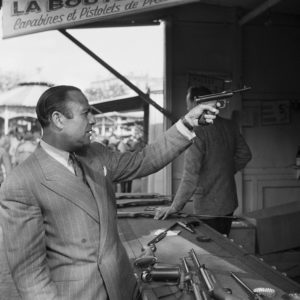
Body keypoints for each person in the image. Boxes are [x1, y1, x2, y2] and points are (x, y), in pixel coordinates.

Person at [0, 85, 218, 300]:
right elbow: (30, 277)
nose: (93, 119)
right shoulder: (22, 183)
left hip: (122, 287)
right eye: (85, 113)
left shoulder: (94, 153)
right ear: (58, 120)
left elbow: (142, 161)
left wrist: (187, 122)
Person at [155, 86, 252, 236]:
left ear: (196, 102)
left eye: (188, 103)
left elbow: (190, 175)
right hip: (228, 201)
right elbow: (245, 155)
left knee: (211, 251)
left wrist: (174, 207)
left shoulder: (197, 131)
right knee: (224, 246)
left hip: (208, 206)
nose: (187, 107)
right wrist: (225, 171)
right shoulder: (229, 126)